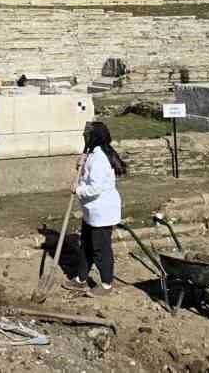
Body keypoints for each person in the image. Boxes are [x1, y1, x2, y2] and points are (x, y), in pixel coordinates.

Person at [63, 121, 126, 296]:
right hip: (92, 211)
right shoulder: (93, 154)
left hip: (102, 211)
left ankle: (106, 284)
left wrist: (78, 189)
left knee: (101, 248)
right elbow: (87, 176)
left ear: (95, 137)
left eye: (87, 134)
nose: (85, 136)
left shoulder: (99, 158)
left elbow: (95, 187)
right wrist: (80, 166)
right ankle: (81, 279)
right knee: (86, 246)